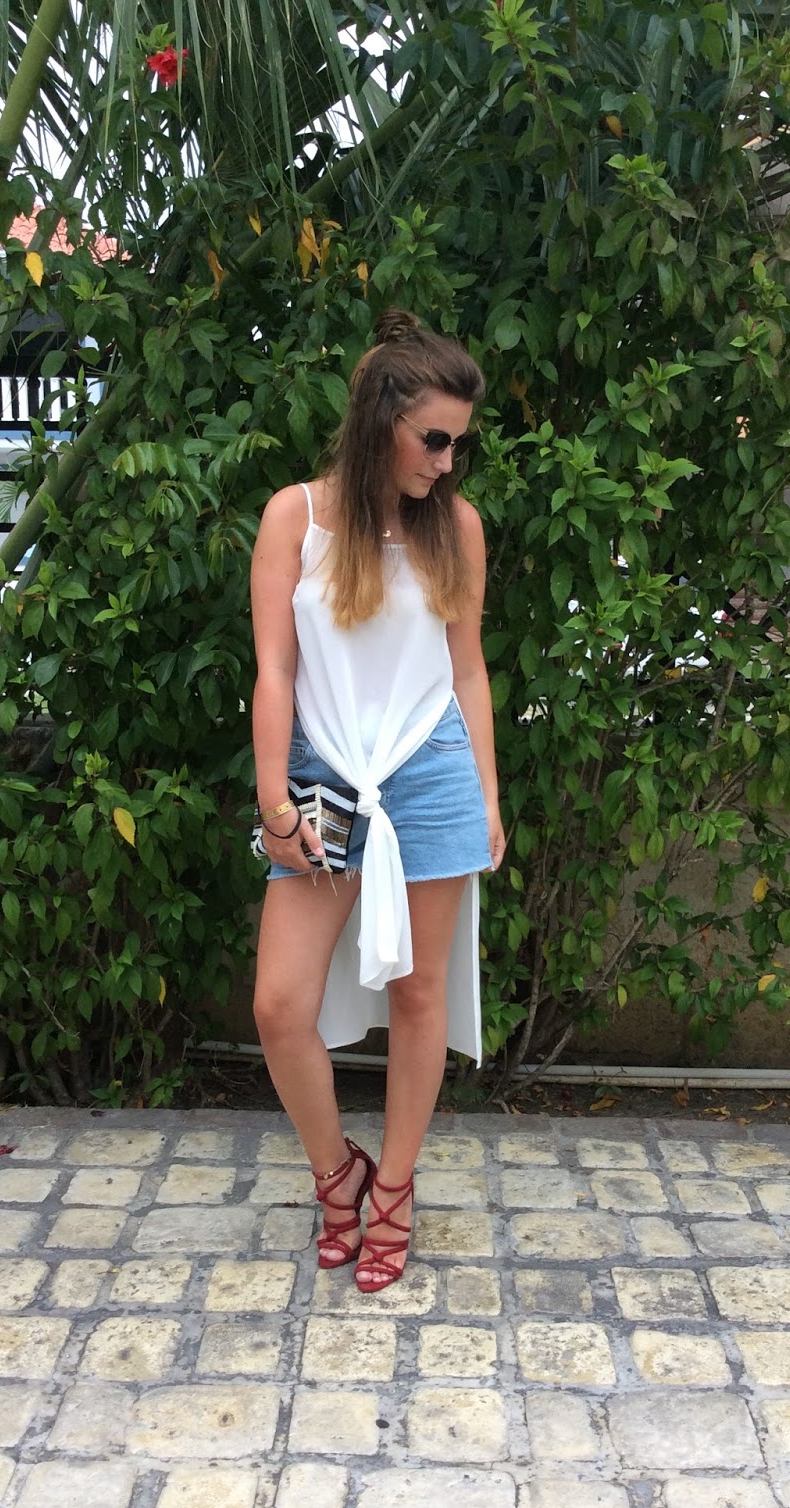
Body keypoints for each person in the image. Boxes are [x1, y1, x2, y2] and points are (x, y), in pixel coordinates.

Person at [250, 308, 505, 1293]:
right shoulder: (295, 518)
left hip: (429, 774)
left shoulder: (456, 528)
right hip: (320, 776)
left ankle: (392, 1189)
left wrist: (486, 796)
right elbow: (275, 669)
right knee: (280, 1005)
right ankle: (337, 1174)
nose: (446, 461)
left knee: (418, 993)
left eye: (456, 444)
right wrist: (273, 800)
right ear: (378, 420)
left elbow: (467, 669)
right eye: (433, 438)